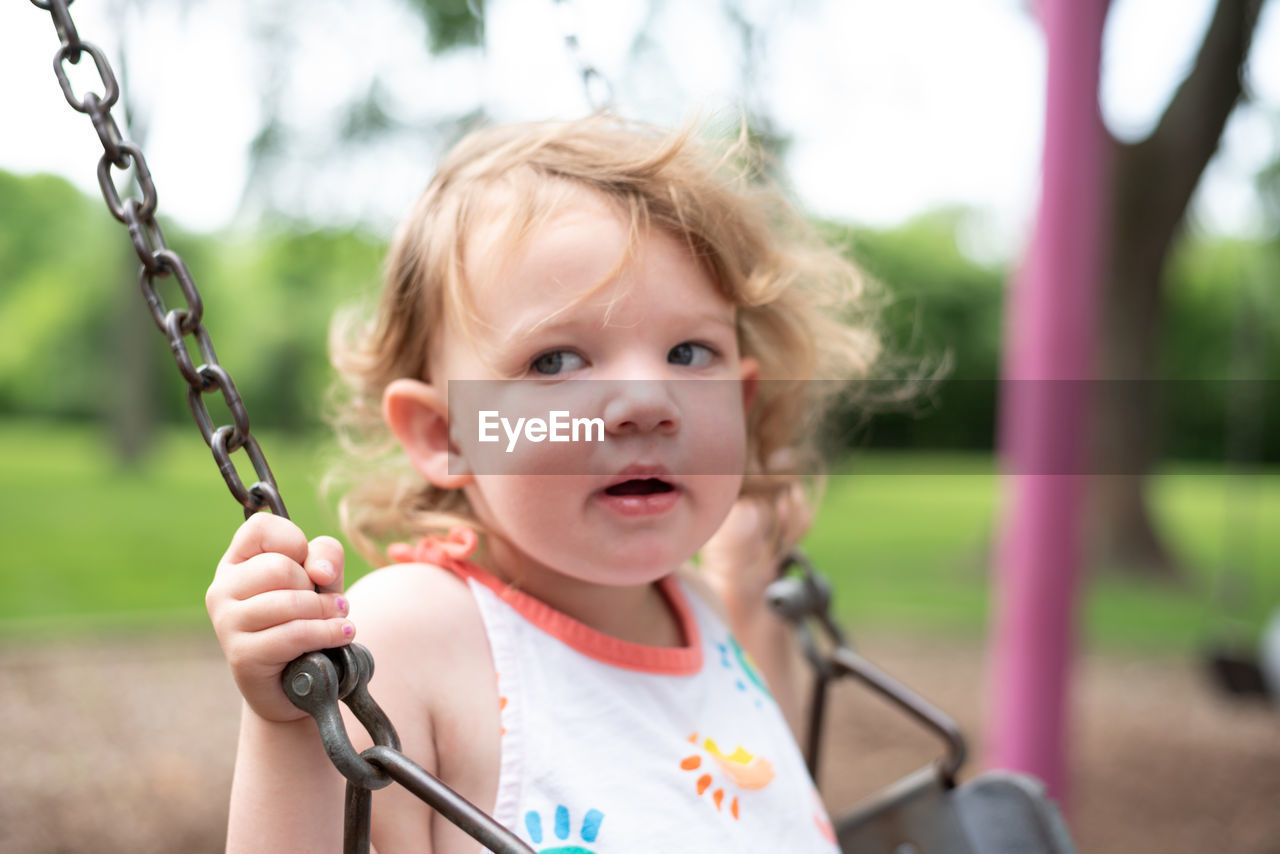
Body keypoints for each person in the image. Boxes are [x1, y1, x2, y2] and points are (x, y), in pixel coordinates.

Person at [205, 116, 880, 853]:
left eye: (689, 352)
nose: (648, 403)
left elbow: (755, 798)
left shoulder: (705, 609)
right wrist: (288, 719)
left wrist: (751, 594)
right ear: (447, 434)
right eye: (557, 361)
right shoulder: (407, 636)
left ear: (742, 401)